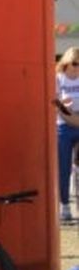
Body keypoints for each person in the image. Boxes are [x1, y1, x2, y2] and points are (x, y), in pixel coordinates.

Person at [55, 48, 79, 222]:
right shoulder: (58, 78)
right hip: (63, 125)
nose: (77, 68)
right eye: (75, 64)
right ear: (67, 63)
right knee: (64, 169)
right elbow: (55, 103)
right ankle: (64, 205)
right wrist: (65, 112)